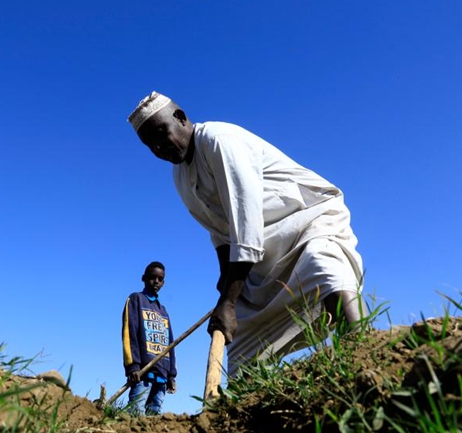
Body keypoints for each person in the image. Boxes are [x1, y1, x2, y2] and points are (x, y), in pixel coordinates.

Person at [127, 92, 365, 377]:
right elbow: (221, 233)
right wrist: (226, 289)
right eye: (151, 145)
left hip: (308, 222)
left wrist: (227, 302)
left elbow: (246, 225)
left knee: (322, 265)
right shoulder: (180, 177)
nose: (159, 146)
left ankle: (364, 357)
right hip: (261, 252)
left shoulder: (219, 140)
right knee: (240, 332)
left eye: (162, 133)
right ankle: (242, 401)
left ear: (180, 118)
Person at [121, 261, 177, 415]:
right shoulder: (135, 300)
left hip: (162, 374)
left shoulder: (163, 311)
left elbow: (170, 343)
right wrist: (133, 366)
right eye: (152, 277)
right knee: (136, 412)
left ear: (164, 282)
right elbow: (129, 333)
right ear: (143, 278)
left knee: (154, 414)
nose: (156, 282)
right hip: (143, 371)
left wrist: (171, 374)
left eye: (160, 279)